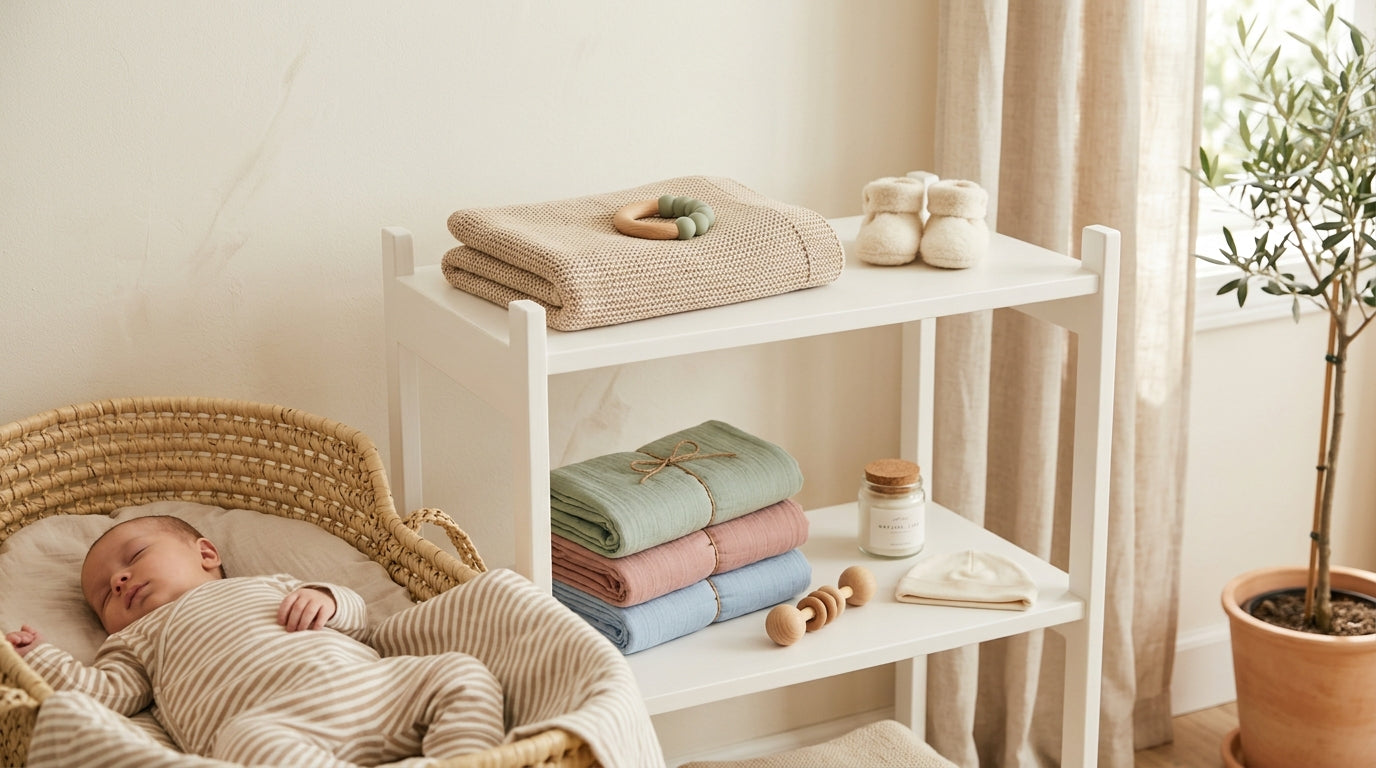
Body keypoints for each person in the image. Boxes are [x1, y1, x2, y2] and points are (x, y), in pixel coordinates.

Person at [4, 515, 505, 766]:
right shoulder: (136, 639)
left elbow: (360, 622)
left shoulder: (271, 584)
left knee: (458, 671)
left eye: (134, 557)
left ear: (206, 554)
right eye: (102, 596)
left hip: (371, 689)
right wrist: (38, 657)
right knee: (244, 745)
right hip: (273, 726)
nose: (118, 580)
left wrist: (327, 600)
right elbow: (107, 695)